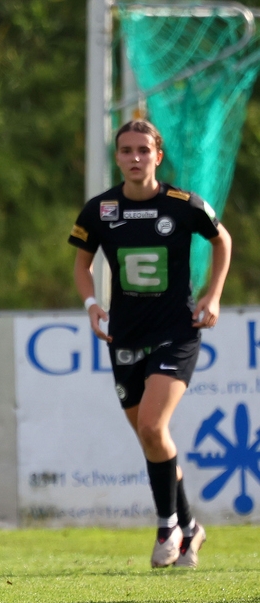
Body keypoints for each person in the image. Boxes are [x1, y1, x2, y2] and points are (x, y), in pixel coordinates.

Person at [68, 119, 232, 568]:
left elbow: (223, 240)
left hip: (176, 332)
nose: (135, 158)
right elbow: (83, 264)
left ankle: (168, 527)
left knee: (154, 428)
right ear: (117, 157)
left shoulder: (182, 204)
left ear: (158, 156)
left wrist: (213, 295)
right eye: (126, 150)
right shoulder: (100, 210)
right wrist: (91, 304)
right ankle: (192, 525)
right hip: (124, 333)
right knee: (152, 439)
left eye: (144, 150)